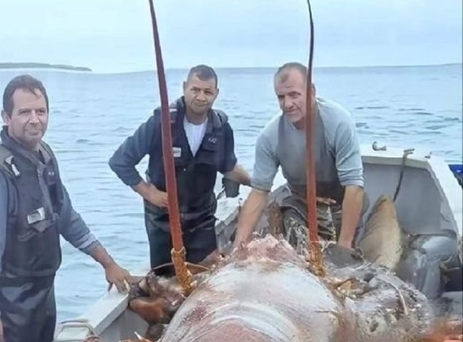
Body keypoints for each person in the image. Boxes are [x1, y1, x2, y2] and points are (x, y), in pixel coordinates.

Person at [0, 74, 131, 342]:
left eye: (41, 111)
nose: (34, 119)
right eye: (24, 112)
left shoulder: (44, 156)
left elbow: (66, 217)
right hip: (11, 300)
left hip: (44, 288)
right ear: (6, 117)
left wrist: (108, 263)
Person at [109, 64, 251, 270]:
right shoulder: (162, 123)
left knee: (208, 270)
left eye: (207, 92)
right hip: (163, 219)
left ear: (216, 94)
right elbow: (120, 161)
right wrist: (149, 193)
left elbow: (229, 166)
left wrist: (258, 184)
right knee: (165, 278)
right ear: (184, 88)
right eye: (195, 90)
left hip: (202, 218)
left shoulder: (221, 128)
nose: (201, 97)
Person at [234, 62, 365, 249]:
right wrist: (238, 247)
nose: (287, 104)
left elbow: (354, 186)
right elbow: (259, 192)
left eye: (294, 95)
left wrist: (345, 246)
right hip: (301, 206)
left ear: (312, 91)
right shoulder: (269, 137)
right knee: (296, 246)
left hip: (341, 204)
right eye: (281, 97)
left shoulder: (339, 123)